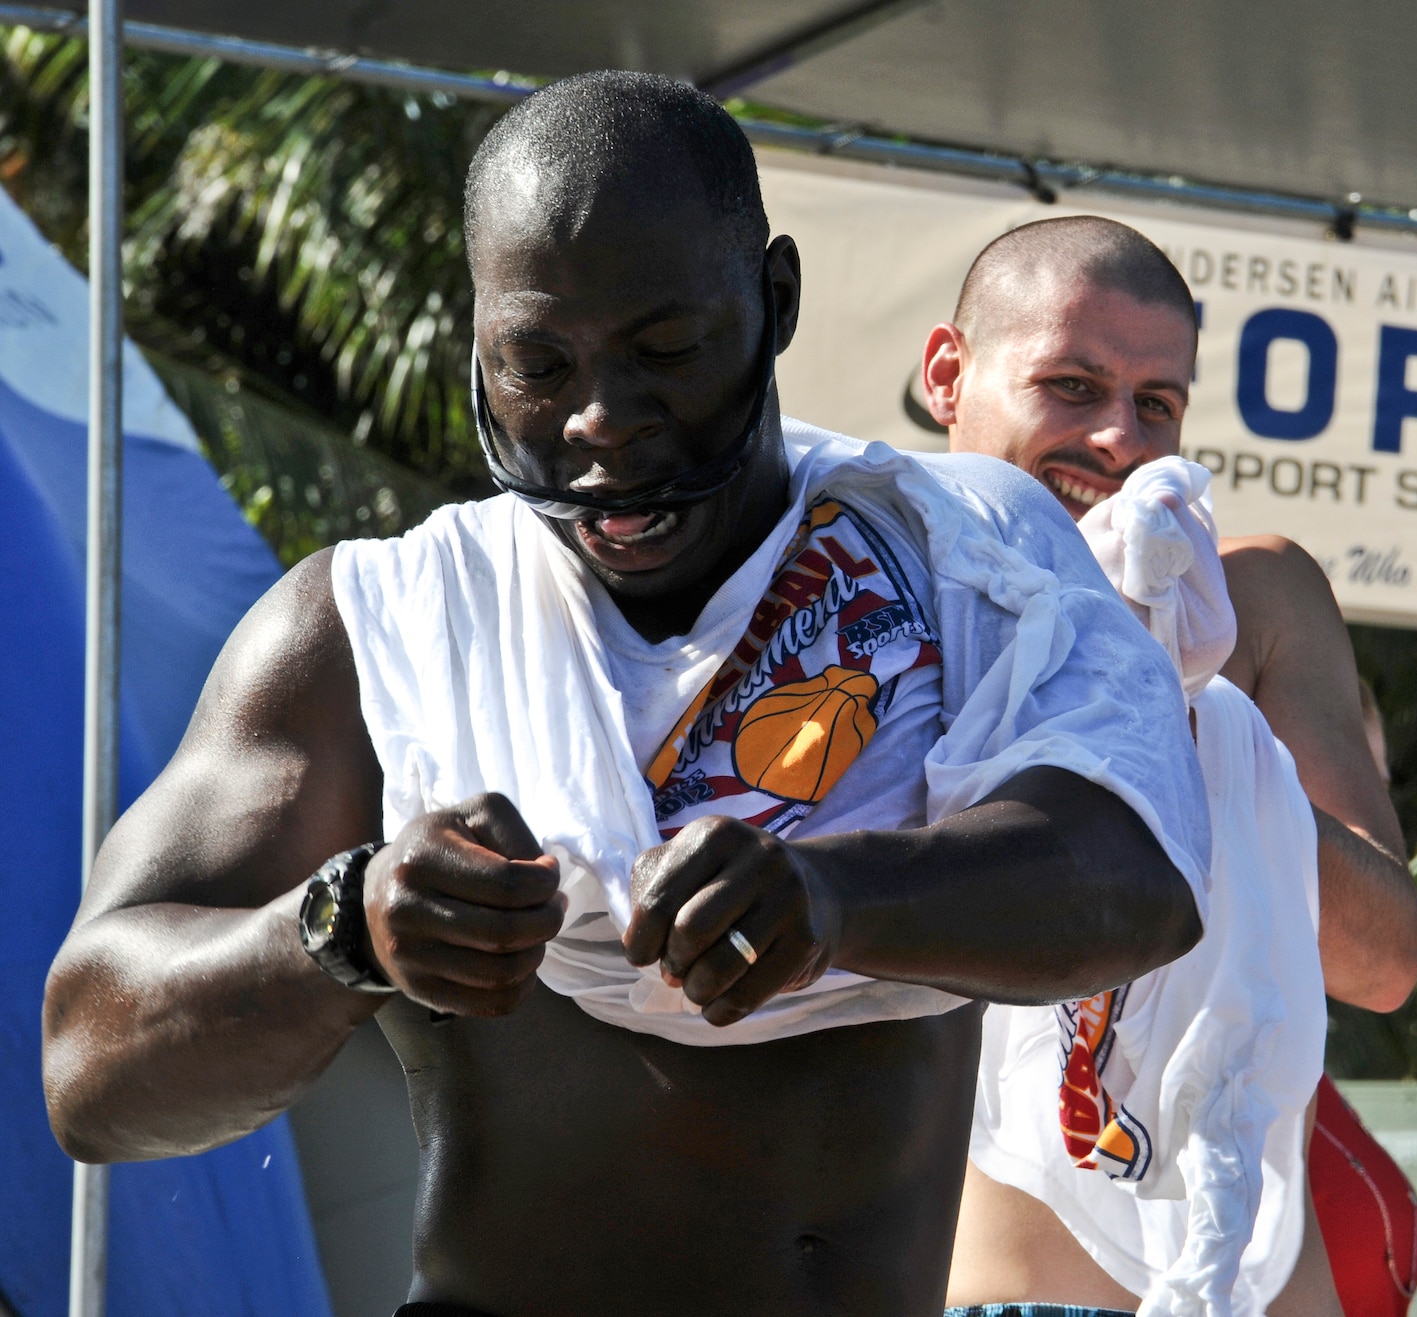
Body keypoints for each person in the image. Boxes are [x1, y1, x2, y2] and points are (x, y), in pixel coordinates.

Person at [41, 79, 1214, 1317]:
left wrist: (834, 895)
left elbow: (1136, 870)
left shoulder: (956, 550)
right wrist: (345, 927)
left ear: (774, 303)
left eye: (664, 352)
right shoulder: (378, 628)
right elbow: (88, 1067)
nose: (602, 420)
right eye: (538, 366)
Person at [920, 216, 1417, 1315]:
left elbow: (1383, 960)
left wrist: (1182, 719)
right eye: (1070, 385)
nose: (1117, 439)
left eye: (1156, 403)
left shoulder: (1251, 602)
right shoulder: (873, 604)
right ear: (947, 376)